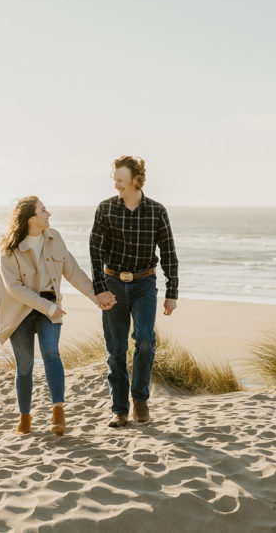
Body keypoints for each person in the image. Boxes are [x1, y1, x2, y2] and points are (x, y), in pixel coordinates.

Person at [0, 196, 114, 436]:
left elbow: (73, 271)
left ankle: (58, 411)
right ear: (31, 218)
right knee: (25, 366)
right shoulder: (9, 250)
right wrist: (47, 308)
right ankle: (25, 417)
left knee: (51, 352)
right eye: (44, 210)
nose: (49, 214)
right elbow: (14, 288)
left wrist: (97, 296)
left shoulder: (54, 238)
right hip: (20, 312)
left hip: (50, 307)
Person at [90, 155, 178, 427]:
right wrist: (100, 288)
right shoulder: (105, 209)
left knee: (145, 339)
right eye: (114, 178)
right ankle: (119, 408)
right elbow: (95, 250)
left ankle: (140, 399)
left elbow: (169, 252)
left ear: (135, 180)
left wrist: (171, 291)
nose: (115, 184)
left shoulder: (157, 211)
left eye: (120, 179)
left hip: (144, 283)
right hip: (113, 282)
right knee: (115, 348)